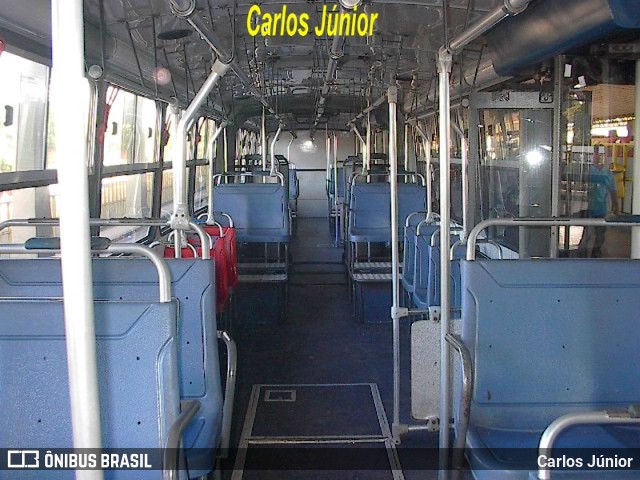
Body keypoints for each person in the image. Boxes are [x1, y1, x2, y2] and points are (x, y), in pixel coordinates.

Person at [582, 150, 619, 257]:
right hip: (589, 208)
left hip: (602, 209)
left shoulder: (608, 173)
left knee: (600, 235)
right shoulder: (587, 171)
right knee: (587, 234)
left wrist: (616, 207)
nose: (598, 158)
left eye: (600, 155)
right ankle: (581, 254)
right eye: (596, 155)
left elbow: (613, 191)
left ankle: (596, 253)